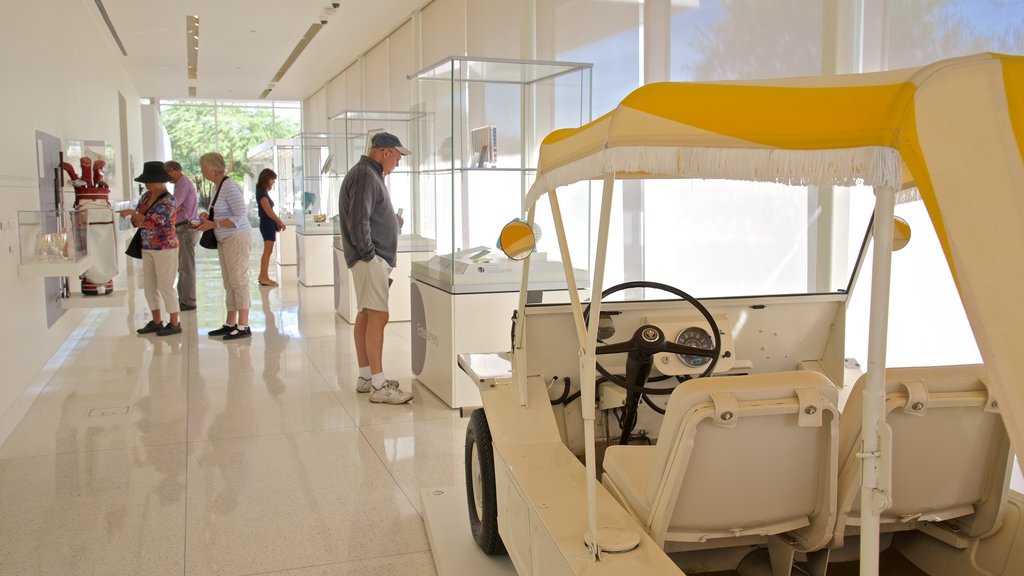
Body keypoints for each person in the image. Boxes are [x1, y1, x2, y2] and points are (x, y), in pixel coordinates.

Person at [338, 132, 413, 404]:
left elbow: (367, 213)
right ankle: (379, 387)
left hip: (370, 259)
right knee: (378, 317)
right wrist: (370, 255)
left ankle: (366, 377)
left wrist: (392, 221)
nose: (398, 162)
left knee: (367, 315)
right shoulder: (365, 175)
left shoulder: (369, 175)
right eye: (397, 156)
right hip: (370, 259)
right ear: (384, 152)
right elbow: (359, 220)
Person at [194, 152, 254, 341]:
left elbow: (240, 216)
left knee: (238, 280)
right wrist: (208, 217)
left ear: (212, 169)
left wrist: (215, 225)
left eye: (203, 167)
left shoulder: (228, 186)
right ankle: (231, 322)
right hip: (224, 240)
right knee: (229, 282)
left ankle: (243, 325)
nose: (202, 171)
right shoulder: (216, 188)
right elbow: (219, 213)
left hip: (236, 238)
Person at [118, 161, 181, 337]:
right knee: (149, 286)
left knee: (166, 285)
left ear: (160, 181)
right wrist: (135, 217)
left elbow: (153, 222)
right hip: (147, 246)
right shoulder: (146, 197)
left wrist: (134, 214)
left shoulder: (169, 201)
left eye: (150, 182)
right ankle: (157, 320)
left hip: (165, 247)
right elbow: (138, 221)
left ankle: (175, 322)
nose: (147, 185)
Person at [165, 160, 199, 311]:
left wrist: (174, 209)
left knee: (186, 267)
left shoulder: (183, 183)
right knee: (183, 267)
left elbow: (174, 204)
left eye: (168, 173)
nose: (167, 177)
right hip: (183, 227)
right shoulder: (180, 184)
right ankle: (184, 298)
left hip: (186, 228)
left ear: (175, 170)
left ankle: (188, 300)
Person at [255, 168, 286, 286]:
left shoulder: (261, 191)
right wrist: (279, 221)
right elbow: (268, 211)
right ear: (267, 179)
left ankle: (262, 275)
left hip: (267, 223)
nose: (273, 182)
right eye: (272, 179)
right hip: (267, 224)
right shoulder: (262, 194)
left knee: (268, 251)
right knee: (267, 251)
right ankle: (264, 276)